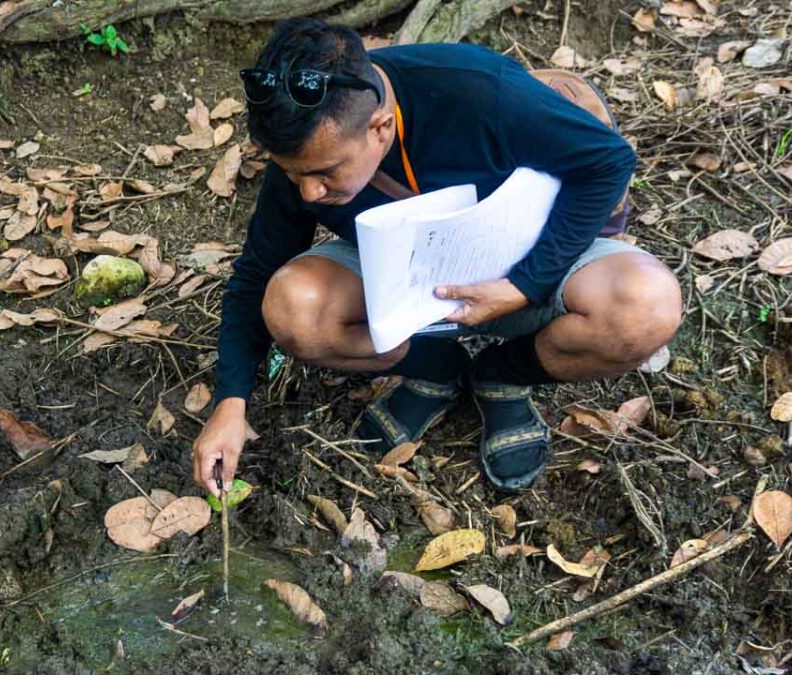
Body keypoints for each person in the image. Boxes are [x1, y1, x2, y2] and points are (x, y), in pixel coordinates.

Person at [191, 18, 682, 496]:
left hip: (525, 261)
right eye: (293, 174)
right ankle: (437, 370)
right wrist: (231, 402)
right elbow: (256, 273)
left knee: (646, 306)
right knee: (292, 308)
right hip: (407, 279)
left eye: (324, 173)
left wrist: (526, 285)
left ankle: (503, 375)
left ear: (380, 128)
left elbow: (608, 161)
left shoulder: (478, 91)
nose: (309, 192)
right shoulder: (307, 147)